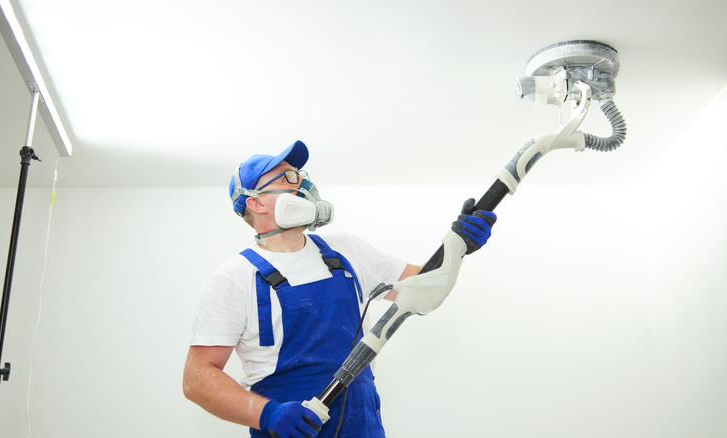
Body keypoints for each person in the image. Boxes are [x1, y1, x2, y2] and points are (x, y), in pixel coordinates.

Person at [183, 140, 496, 438]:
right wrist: (267, 414)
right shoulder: (235, 276)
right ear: (256, 202)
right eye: (289, 177)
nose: (303, 185)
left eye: (302, 176)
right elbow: (197, 378)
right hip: (293, 424)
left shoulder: (346, 250)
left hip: (362, 419)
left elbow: (426, 290)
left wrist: (458, 246)